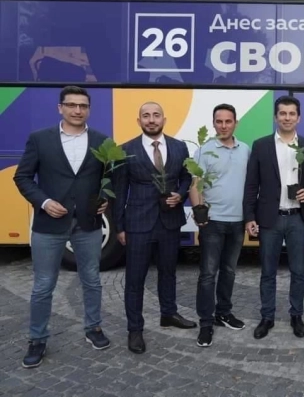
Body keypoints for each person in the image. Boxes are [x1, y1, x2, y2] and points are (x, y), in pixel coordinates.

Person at [14, 86, 111, 368]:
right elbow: (22, 177)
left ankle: (93, 327)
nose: (77, 110)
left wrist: (105, 198)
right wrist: (44, 202)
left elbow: (111, 178)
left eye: (83, 106)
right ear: (60, 108)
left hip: (88, 224)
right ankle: (37, 339)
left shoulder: (102, 142)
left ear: (89, 109)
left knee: (91, 280)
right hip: (48, 224)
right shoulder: (40, 139)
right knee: (43, 285)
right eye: (71, 105)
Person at [113, 101, 196, 355]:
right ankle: (135, 329)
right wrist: (119, 227)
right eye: (146, 116)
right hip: (138, 224)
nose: (151, 120)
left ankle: (168, 314)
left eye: (156, 115)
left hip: (170, 222)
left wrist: (181, 194)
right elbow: (119, 191)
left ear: (164, 119)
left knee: (168, 272)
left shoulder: (179, 147)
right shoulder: (125, 150)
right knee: (135, 279)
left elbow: (186, 177)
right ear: (139, 121)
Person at [243, 96, 304, 340]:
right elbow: (251, 184)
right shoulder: (261, 145)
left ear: (299, 117)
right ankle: (267, 317)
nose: (287, 117)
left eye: (291, 113)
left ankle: (296, 315)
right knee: (268, 272)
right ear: (276, 117)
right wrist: (249, 217)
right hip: (269, 219)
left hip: (297, 218)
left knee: (298, 271)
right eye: (283, 113)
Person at [191, 104, 250, 347]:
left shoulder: (245, 150)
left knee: (229, 271)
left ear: (236, 123)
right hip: (213, 222)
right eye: (219, 121)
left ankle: (223, 313)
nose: (223, 125)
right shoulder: (204, 151)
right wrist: (199, 214)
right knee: (208, 274)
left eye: (228, 121)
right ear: (214, 123)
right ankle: (206, 323)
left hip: (238, 222)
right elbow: (196, 185)